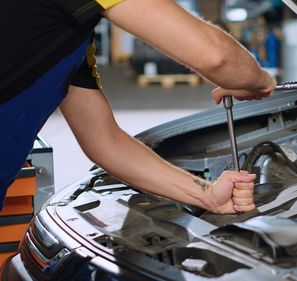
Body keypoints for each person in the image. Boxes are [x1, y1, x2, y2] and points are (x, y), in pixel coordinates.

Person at [0, 0, 276, 213]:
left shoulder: (64, 36)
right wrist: (259, 80)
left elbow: (105, 141)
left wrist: (207, 194)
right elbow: (219, 58)